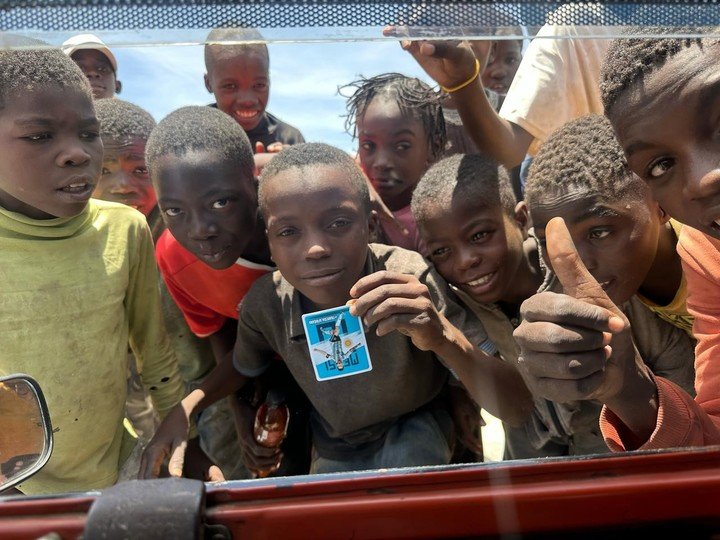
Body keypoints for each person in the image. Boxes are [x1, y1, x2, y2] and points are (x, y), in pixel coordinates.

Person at [140, 142, 532, 477]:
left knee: (402, 483)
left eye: (338, 222)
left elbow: (516, 408)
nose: (315, 249)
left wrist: (443, 337)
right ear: (270, 241)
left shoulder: (409, 279)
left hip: (416, 422)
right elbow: (243, 366)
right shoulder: (267, 305)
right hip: (335, 440)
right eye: (289, 232)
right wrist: (187, 407)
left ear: (371, 226)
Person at [0, 47, 208, 494]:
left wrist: (182, 437)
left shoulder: (123, 228)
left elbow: (154, 351)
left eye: (88, 133)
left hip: (114, 472)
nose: (76, 153)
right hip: (13, 492)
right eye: (40, 136)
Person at [513, 34, 720, 453]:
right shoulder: (705, 257)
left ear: (654, 209)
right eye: (660, 165)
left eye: (600, 231)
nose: (703, 179)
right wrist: (626, 386)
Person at [146, 105, 311, 478]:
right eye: (174, 210)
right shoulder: (174, 258)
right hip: (261, 371)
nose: (201, 229)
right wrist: (240, 410)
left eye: (220, 203)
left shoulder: (301, 228)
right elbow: (218, 332)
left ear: (253, 185)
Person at [93, 99, 249, 478]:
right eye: (105, 169)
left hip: (213, 390)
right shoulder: (92, 245)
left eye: (139, 169)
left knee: (227, 473)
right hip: (139, 399)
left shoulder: (189, 240)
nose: (122, 185)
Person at [411, 153, 544, 460]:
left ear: (521, 220)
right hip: (531, 458)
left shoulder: (574, 272)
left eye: (480, 235)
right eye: (442, 251)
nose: (465, 260)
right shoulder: (458, 301)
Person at [341, 73, 447, 253]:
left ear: (433, 148)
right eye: (368, 145)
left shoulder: (436, 217)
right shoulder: (346, 176)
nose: (381, 162)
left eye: (401, 146)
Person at [203, 25, 304, 154]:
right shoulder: (190, 137)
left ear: (268, 80)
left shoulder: (289, 139)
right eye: (230, 86)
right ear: (208, 83)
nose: (247, 100)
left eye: (259, 85)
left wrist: (289, 170)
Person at [61, 33, 122, 100]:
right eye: (79, 68)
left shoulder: (132, 110)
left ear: (117, 85)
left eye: (102, 68)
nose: (92, 72)